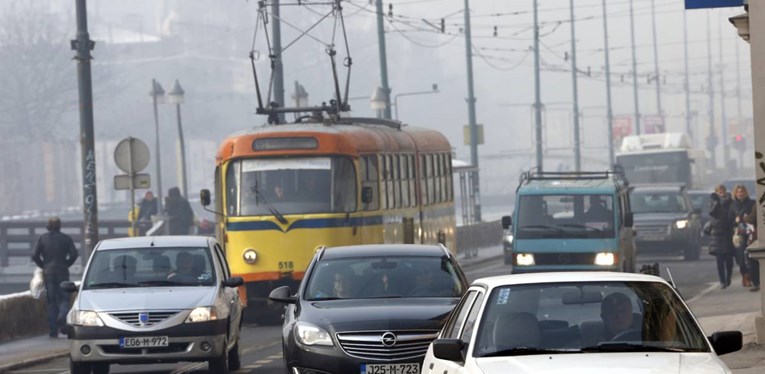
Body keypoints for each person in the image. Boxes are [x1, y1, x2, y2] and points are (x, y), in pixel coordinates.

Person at [31, 217, 79, 338]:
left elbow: (34, 255)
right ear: (59, 226)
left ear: (48, 225)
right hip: (63, 271)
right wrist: (67, 263)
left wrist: (43, 266)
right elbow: (74, 254)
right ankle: (63, 316)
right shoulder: (66, 238)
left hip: (49, 273)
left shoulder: (43, 238)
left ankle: (53, 331)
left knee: (51, 301)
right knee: (64, 298)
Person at [729, 184, 758, 290]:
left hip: (750, 232)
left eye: (742, 192)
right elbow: (729, 219)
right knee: (740, 256)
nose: (740, 194)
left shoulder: (751, 203)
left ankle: (750, 277)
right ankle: (744, 275)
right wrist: (734, 221)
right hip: (739, 233)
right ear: (735, 193)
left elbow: (754, 217)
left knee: (749, 256)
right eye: (738, 192)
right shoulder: (733, 205)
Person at [708, 185, 735, 289]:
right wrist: (716, 202)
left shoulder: (730, 201)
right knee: (719, 259)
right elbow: (712, 213)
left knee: (729, 260)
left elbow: (732, 212)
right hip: (717, 234)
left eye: (722, 190)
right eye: (718, 191)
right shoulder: (714, 202)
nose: (721, 193)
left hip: (728, 233)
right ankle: (722, 281)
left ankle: (728, 278)